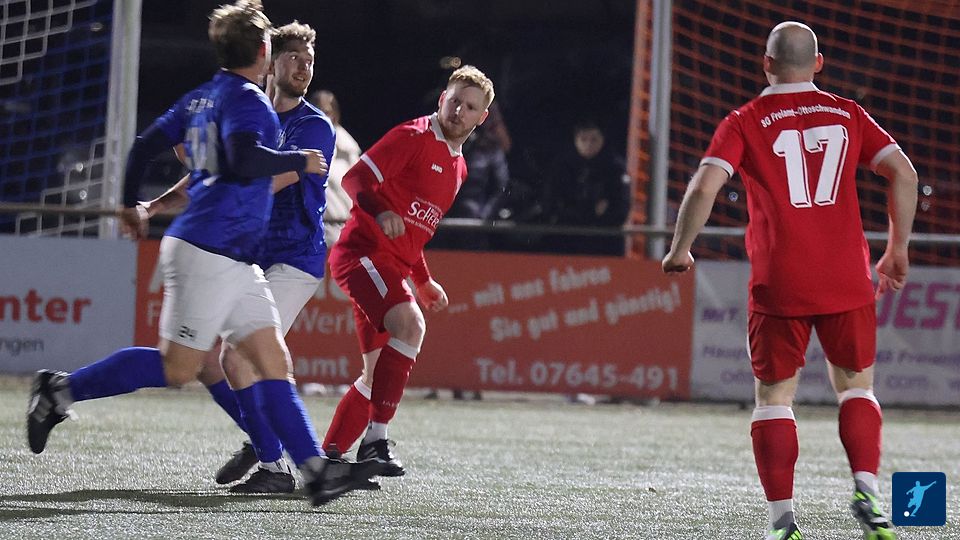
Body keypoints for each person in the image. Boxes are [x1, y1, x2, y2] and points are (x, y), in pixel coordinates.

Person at [26, 0, 381, 507]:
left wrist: (132, 203)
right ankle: (58, 391)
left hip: (238, 256)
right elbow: (242, 160)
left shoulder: (203, 98)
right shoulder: (250, 102)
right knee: (183, 367)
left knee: (268, 358)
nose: (303, 66)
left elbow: (144, 147)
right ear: (265, 52)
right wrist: (297, 161)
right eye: (291, 55)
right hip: (211, 248)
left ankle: (312, 470)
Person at [662, 21, 916, 540]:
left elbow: (706, 185)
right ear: (818, 63)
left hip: (780, 279)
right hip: (846, 275)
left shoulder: (745, 120)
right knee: (856, 387)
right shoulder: (848, 113)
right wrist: (897, 249)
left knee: (774, 397)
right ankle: (867, 489)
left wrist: (680, 248)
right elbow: (905, 173)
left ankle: (783, 524)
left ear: (767, 64)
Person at [142, 21, 338, 494]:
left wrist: (208, 170)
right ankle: (264, 442)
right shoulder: (250, 112)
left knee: (238, 356)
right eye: (294, 58)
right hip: (247, 255)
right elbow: (221, 174)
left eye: (310, 61)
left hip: (294, 259)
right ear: (270, 61)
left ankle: (275, 464)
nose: (304, 68)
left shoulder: (313, 125)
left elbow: (262, 183)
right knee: (204, 361)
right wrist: (154, 206)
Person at [320, 66, 495, 476]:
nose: (459, 111)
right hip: (362, 254)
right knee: (411, 325)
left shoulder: (459, 168)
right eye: (455, 101)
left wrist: (423, 280)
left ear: (482, 117)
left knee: (375, 374)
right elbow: (355, 179)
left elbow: (414, 234)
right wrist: (381, 211)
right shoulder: (414, 136)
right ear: (442, 99)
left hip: (390, 266)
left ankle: (327, 462)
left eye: (470, 107)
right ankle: (375, 443)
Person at [546, 119, 631, 255]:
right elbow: (552, 206)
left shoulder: (615, 168)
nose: (588, 144)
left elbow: (621, 209)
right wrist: (590, 211)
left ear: (602, 140)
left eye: (594, 139)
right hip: (567, 242)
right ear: (575, 140)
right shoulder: (562, 167)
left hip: (604, 244)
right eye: (583, 139)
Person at [308, 89, 361, 249]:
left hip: (346, 230)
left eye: (327, 112)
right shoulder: (301, 145)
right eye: (317, 111)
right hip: (315, 232)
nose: (323, 116)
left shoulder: (349, 150)